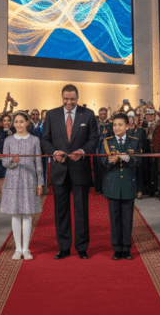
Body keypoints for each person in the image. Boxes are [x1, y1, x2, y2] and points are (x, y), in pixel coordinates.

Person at [40, 84, 99, 260]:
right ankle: (63, 247)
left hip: (80, 169)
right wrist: (53, 152)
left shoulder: (88, 114)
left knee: (81, 211)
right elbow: (45, 140)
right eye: (66, 99)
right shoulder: (51, 114)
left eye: (72, 99)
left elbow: (94, 138)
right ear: (62, 97)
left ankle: (82, 247)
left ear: (77, 97)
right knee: (61, 211)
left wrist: (82, 151)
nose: (69, 102)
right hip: (59, 171)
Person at [0, 111, 43, 260]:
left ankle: (26, 249)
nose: (18, 124)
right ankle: (17, 249)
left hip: (29, 179)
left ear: (27, 123)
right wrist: (12, 161)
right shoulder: (8, 141)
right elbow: (4, 162)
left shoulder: (35, 140)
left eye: (21, 121)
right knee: (15, 213)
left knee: (27, 213)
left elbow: (39, 163)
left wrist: (40, 182)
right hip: (13, 179)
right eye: (16, 122)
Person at [102, 113, 139, 260]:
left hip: (128, 183)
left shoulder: (134, 141)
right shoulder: (107, 141)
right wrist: (109, 162)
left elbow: (140, 161)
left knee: (127, 218)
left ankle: (127, 248)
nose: (117, 128)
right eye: (115, 125)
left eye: (120, 125)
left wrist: (126, 157)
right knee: (115, 218)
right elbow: (100, 162)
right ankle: (117, 248)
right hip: (113, 184)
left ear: (128, 126)